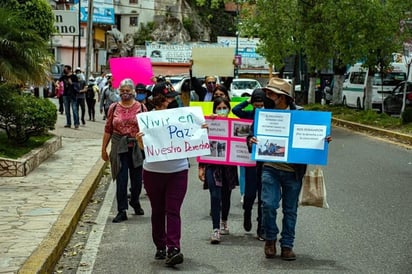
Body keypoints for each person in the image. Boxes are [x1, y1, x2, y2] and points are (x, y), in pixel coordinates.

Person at [248, 78, 331, 260]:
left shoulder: (300, 114)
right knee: (268, 205)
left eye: (271, 93)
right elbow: (251, 136)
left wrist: (323, 140)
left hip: (293, 171)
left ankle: (287, 245)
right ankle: (270, 238)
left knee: (290, 209)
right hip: (269, 168)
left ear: (282, 97)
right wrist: (251, 141)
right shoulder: (264, 115)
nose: (267, 95)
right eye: (267, 92)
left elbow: (314, 136)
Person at [138, 82, 189, 266]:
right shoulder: (147, 119)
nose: (172, 100)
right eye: (168, 97)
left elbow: (190, 137)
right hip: (153, 172)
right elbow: (144, 148)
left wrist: (201, 131)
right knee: (158, 210)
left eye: (172, 97)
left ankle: (173, 248)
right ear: (159, 98)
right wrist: (140, 141)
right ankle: (160, 245)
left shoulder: (182, 117)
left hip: (178, 170)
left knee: (173, 210)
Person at [101, 78, 146, 223]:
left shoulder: (141, 107)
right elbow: (108, 129)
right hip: (118, 147)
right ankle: (122, 210)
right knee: (121, 179)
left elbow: (148, 129)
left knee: (137, 180)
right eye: (123, 90)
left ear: (133, 91)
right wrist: (104, 149)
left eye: (128, 90)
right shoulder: (113, 107)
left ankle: (135, 201)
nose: (125, 93)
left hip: (136, 147)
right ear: (119, 91)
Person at [199, 97, 239, 244]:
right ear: (214, 109)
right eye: (219, 108)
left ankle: (224, 221)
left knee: (226, 195)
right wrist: (201, 167)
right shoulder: (209, 123)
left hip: (228, 166)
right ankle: (215, 229)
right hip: (212, 165)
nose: (222, 111)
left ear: (228, 109)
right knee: (214, 195)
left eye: (224, 108)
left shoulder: (234, 124)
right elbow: (201, 143)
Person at [232, 88, 266, 240]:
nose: (259, 108)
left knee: (263, 197)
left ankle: (261, 227)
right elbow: (235, 109)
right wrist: (248, 101)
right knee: (250, 193)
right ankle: (247, 212)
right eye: (256, 105)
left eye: (261, 104)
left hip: (265, 161)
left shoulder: (270, 116)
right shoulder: (248, 114)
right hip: (249, 159)